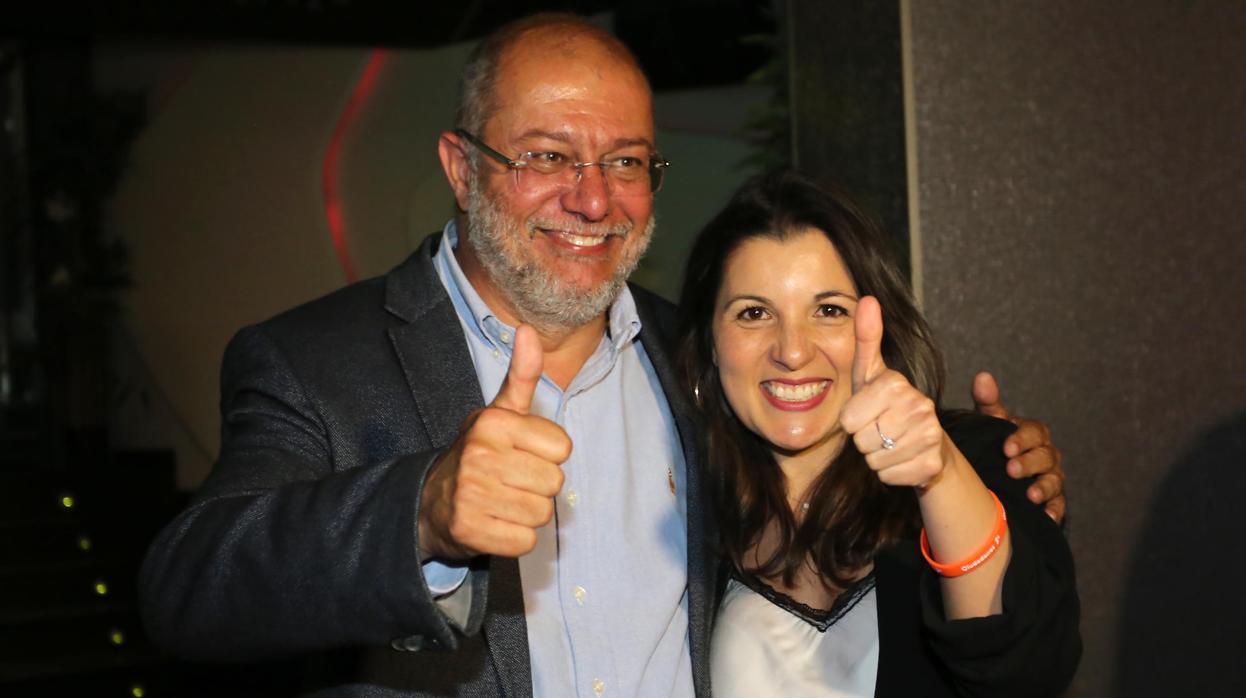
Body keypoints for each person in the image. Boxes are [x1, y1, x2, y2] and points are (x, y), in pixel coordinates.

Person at [139, 13, 1067, 697]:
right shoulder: (316, 360)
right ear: (462, 169)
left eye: (625, 161)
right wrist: (420, 514)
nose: (593, 200)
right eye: (548, 155)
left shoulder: (701, 361)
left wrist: (985, 463)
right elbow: (188, 592)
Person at [674, 170, 1080, 697]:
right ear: (710, 341)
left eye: (829, 311)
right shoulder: (686, 506)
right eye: (753, 313)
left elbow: (1025, 671)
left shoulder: (974, 459)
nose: (792, 351)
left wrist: (941, 474)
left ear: (880, 326)